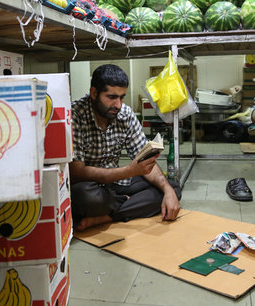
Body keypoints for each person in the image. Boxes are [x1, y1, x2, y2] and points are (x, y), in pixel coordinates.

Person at [70, 64, 182, 231]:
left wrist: (167, 190)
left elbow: (143, 157)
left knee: (172, 187)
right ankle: (125, 204)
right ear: (94, 93)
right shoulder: (75, 115)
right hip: (89, 186)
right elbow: (76, 172)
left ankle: (107, 216)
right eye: (112, 97)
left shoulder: (125, 115)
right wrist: (129, 171)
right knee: (83, 197)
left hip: (115, 183)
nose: (118, 105)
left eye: (122, 97)